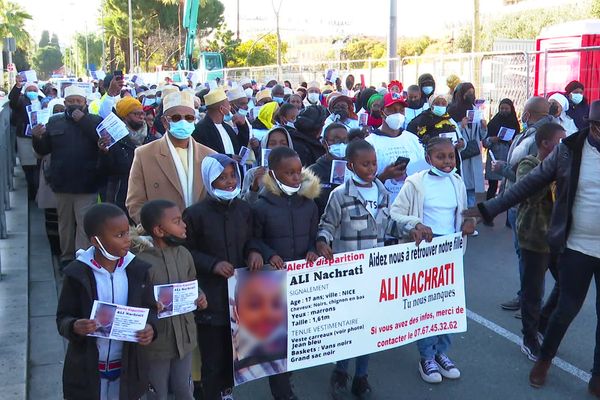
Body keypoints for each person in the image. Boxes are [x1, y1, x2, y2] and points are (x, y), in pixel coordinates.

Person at [464, 101, 600, 396]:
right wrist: (488, 208)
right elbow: (528, 184)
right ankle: (544, 359)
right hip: (576, 246)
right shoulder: (569, 151)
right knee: (566, 308)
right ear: (592, 126)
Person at [317, 139, 400, 398]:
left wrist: (413, 229)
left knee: (368, 327)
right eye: (365, 164)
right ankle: (340, 372)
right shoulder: (340, 195)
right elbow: (327, 224)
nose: (371, 168)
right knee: (348, 327)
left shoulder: (383, 192)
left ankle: (361, 377)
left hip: (374, 273)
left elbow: (388, 227)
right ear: (351, 166)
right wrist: (322, 240)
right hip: (348, 274)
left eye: (374, 163)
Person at [390, 137, 475, 384]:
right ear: (428, 159)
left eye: (451, 156)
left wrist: (471, 221)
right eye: (441, 157)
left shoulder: (457, 182)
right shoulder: (415, 183)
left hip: (451, 249)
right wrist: (416, 224)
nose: (447, 162)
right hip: (425, 250)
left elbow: (464, 212)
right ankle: (426, 357)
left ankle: (441, 352)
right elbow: (396, 212)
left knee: (448, 304)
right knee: (427, 306)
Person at [56, 203, 157, 400]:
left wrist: (151, 328)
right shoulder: (77, 274)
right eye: (119, 235)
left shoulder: (138, 270)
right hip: (89, 370)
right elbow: (62, 317)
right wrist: (75, 326)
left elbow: (151, 309)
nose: (127, 240)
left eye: (127, 232)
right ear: (96, 240)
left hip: (127, 367)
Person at [183, 154, 263, 400]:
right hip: (211, 297)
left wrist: (254, 252)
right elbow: (186, 253)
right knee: (212, 355)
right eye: (221, 177)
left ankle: (227, 392)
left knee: (234, 354)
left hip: (240, 295)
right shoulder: (195, 214)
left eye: (232, 176)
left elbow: (253, 238)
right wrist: (213, 264)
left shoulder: (245, 209)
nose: (229, 182)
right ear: (209, 180)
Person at [252, 147, 320, 400]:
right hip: (272, 283)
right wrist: (269, 254)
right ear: (273, 174)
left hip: (303, 284)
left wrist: (313, 249)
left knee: (297, 335)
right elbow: (253, 240)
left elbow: (313, 237)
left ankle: (287, 373)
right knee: (275, 340)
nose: (295, 177)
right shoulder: (260, 206)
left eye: (298, 171)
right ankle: (283, 393)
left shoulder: (309, 204)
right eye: (288, 173)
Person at [136, 200, 208, 400]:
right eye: (177, 221)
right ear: (159, 230)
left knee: (185, 391)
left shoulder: (184, 254)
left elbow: (192, 284)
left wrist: (200, 296)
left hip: (184, 338)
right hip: (157, 344)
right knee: (157, 394)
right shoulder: (140, 261)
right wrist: (152, 304)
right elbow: (136, 299)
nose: (184, 225)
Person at [492, 96, 553, 313]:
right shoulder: (530, 133)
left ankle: (531, 304)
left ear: (528, 114)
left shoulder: (542, 137)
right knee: (525, 257)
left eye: (524, 113)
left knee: (530, 259)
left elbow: (528, 176)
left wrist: (502, 168)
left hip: (528, 207)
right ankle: (526, 298)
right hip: (516, 202)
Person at [32, 85, 103, 268]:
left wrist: (83, 121)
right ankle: (66, 257)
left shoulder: (94, 121)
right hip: (62, 183)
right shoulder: (54, 122)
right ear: (65, 103)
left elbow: (100, 140)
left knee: (83, 223)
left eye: (78, 101)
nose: (74, 105)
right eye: (71, 101)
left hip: (87, 183)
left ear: (85, 103)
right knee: (65, 224)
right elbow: (44, 149)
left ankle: (81, 259)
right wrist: (37, 138)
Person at [513, 123, 565, 362]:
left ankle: (542, 324)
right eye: (560, 141)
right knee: (533, 293)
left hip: (558, 238)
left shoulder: (565, 166)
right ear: (545, 144)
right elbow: (530, 194)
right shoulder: (529, 165)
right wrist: (552, 171)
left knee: (567, 285)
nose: (565, 146)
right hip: (534, 238)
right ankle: (529, 338)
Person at [126, 90, 215, 224]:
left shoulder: (209, 156)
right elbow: (135, 203)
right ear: (164, 121)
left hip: (202, 236)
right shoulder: (145, 154)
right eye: (176, 118)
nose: (183, 122)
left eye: (189, 118)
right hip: (163, 237)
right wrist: (157, 231)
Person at [365, 92, 425, 203]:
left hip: (411, 207)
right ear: (382, 113)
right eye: (392, 110)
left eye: (401, 110)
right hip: (383, 209)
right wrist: (384, 176)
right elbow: (363, 184)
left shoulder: (413, 140)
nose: (398, 114)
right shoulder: (370, 143)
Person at [99, 96, 153, 216]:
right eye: (136, 114)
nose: (141, 117)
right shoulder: (113, 139)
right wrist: (105, 153)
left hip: (145, 197)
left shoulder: (150, 137)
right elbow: (106, 170)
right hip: (120, 197)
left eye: (142, 113)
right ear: (125, 116)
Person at [448, 82, 486, 210]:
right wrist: (460, 125)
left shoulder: (475, 110)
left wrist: (484, 127)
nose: (471, 95)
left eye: (473, 92)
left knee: (472, 184)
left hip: (474, 152)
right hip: (461, 152)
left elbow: (482, 135)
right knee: (462, 182)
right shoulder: (452, 111)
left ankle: (469, 211)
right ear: (461, 94)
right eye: (468, 92)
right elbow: (449, 131)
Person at [9, 75, 43, 200]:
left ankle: (38, 192)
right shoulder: (21, 100)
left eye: (34, 90)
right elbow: (12, 101)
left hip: (40, 137)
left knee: (38, 166)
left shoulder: (42, 101)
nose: (32, 92)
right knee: (28, 166)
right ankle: (32, 193)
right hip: (25, 137)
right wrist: (18, 86)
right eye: (30, 90)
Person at [241, 126, 294, 204]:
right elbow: (244, 207)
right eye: (272, 144)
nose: (278, 147)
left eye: (283, 143)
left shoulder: (297, 174)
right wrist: (254, 188)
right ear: (265, 146)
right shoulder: (252, 174)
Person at [192, 87, 249, 159]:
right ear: (221, 109)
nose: (230, 107)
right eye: (228, 105)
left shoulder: (227, 128)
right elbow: (205, 155)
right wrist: (229, 157)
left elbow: (240, 147)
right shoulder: (200, 130)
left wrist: (243, 126)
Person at [307, 123, 349, 217]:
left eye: (345, 141)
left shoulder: (354, 169)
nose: (341, 144)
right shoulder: (313, 172)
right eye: (336, 140)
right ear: (324, 143)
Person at [483, 98, 520, 200]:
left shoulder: (514, 124)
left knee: (507, 185)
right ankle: (489, 208)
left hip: (508, 156)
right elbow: (485, 142)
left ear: (511, 109)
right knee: (492, 186)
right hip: (494, 156)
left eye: (506, 108)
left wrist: (512, 142)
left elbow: (519, 143)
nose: (504, 110)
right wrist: (492, 139)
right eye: (501, 108)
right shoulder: (493, 123)